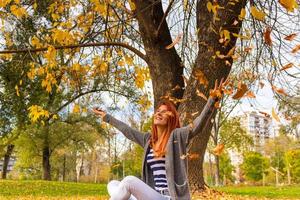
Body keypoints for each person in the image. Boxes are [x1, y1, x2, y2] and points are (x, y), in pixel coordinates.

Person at [92, 79, 226, 200]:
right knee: (113, 184)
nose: (158, 113)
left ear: (171, 118)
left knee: (128, 182)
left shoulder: (177, 136)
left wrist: (212, 100)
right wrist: (107, 117)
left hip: (168, 197)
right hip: (152, 195)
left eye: (164, 112)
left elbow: (197, 125)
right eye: (157, 111)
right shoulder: (148, 140)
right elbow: (127, 131)